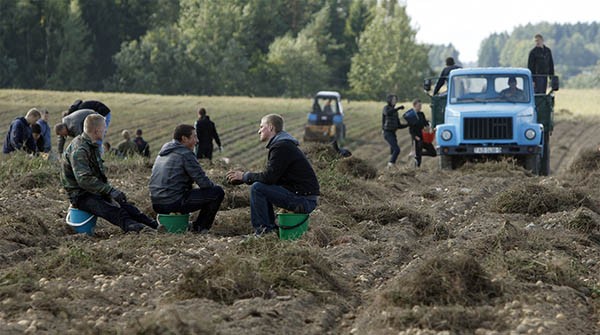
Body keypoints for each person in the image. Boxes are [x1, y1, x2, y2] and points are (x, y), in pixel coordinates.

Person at [61, 114, 158, 233]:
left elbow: (97, 175)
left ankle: (154, 225)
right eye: (104, 129)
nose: (105, 131)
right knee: (114, 211)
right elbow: (84, 180)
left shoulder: (91, 145)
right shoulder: (80, 150)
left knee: (126, 205)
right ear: (97, 131)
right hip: (80, 194)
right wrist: (109, 191)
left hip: (93, 189)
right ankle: (135, 228)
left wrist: (110, 193)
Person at [226, 114, 320, 236]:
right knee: (261, 186)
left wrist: (245, 176)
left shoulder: (281, 147)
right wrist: (245, 178)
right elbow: (271, 178)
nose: (259, 131)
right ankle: (269, 229)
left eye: (261, 127)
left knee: (258, 188)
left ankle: (264, 232)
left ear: (270, 127)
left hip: (303, 200)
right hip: (303, 196)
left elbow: (269, 178)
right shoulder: (283, 145)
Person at [149, 124, 224, 233]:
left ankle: (180, 225)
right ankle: (200, 228)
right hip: (172, 202)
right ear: (184, 139)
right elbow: (204, 183)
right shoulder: (185, 153)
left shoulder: (164, 152)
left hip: (156, 202)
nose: (197, 141)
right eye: (194, 137)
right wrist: (212, 188)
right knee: (217, 192)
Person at [407, 99, 436, 167]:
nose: (420, 107)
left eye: (421, 105)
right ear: (414, 106)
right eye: (419, 105)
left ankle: (418, 153)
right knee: (418, 159)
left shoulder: (421, 114)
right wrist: (415, 137)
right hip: (417, 138)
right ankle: (416, 167)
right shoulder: (411, 115)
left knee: (433, 153)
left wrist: (431, 127)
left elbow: (425, 123)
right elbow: (411, 130)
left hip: (423, 136)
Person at [382, 94, 407, 167]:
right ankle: (390, 166)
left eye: (395, 100)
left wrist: (408, 124)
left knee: (393, 151)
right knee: (397, 150)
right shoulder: (386, 108)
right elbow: (388, 113)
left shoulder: (395, 112)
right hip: (387, 132)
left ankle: (391, 166)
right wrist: (398, 108)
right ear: (389, 100)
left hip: (393, 133)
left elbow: (399, 125)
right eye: (393, 99)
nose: (395, 101)